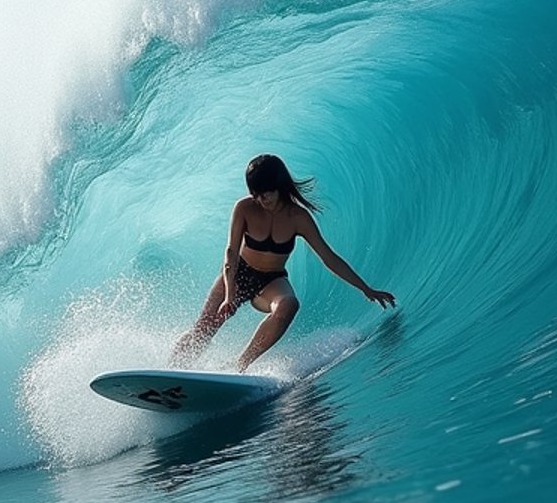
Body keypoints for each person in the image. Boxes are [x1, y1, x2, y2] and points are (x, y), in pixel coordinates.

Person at [170, 153, 396, 372]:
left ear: (279, 186)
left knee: (288, 305)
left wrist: (366, 289)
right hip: (238, 273)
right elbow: (230, 252)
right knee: (204, 329)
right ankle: (170, 370)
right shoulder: (244, 208)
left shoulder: (298, 218)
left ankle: (239, 367)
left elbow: (329, 258)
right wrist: (229, 294)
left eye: (265, 193)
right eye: (256, 194)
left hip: (270, 281)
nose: (261, 199)